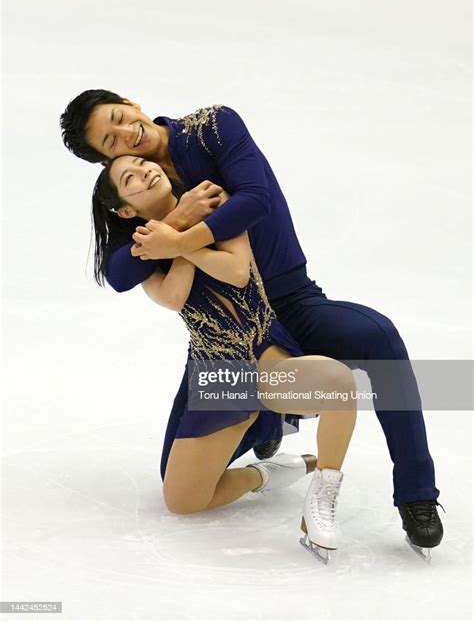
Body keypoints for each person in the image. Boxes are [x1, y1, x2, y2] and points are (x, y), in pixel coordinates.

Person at [60, 90, 444, 558]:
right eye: (111, 143)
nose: (126, 135)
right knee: (178, 487)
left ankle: (417, 494)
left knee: (378, 337)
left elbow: (254, 200)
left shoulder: (212, 126)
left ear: (130, 101)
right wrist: (177, 219)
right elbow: (122, 273)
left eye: (120, 118)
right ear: (105, 163)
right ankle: (270, 426)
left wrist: (177, 238)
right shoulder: (137, 191)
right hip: (220, 344)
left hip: (290, 299)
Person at [91, 155, 358, 562]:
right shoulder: (144, 250)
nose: (145, 170)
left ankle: (322, 497)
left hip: (260, 348)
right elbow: (174, 296)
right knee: (182, 500)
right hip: (217, 372)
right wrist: (173, 230)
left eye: (143, 163)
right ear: (125, 209)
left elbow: (235, 270)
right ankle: (265, 473)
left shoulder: (215, 201)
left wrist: (178, 241)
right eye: (131, 177)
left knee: (340, 384)